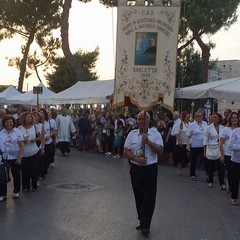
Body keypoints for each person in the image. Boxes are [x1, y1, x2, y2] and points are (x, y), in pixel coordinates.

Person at [123, 111, 164, 236]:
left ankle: (146, 224)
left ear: (148, 121)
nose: (140, 121)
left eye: (143, 119)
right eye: (139, 119)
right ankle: (142, 219)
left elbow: (160, 151)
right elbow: (125, 151)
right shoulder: (132, 134)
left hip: (150, 169)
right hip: (136, 168)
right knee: (139, 195)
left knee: (149, 197)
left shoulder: (155, 134)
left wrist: (149, 142)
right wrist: (136, 159)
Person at [0, 115, 24, 199]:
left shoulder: (17, 131)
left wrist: (20, 157)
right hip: (4, 157)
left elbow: (21, 145)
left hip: (15, 157)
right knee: (3, 177)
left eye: (10, 122)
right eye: (7, 122)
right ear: (4, 123)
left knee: (16, 175)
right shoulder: (1, 132)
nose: (9, 124)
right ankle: (3, 194)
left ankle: (16, 191)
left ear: (13, 123)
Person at [18, 112, 41, 192]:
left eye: (30, 117)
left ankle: (34, 185)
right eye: (27, 116)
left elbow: (40, 137)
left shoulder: (35, 127)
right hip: (24, 153)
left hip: (33, 151)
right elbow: (17, 140)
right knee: (24, 170)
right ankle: (25, 186)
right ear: (24, 118)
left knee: (34, 169)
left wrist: (34, 139)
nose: (29, 118)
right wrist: (21, 141)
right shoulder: (19, 128)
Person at [203, 112, 225, 189]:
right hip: (211, 149)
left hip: (220, 149)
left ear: (219, 118)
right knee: (211, 167)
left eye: (215, 117)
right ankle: (210, 181)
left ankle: (222, 183)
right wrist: (204, 151)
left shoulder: (222, 127)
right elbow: (205, 140)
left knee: (221, 167)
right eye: (212, 117)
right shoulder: (208, 128)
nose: (214, 119)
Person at [220, 111, 239, 192]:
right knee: (231, 173)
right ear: (230, 119)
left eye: (236, 117)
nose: (234, 119)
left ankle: (233, 187)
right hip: (228, 154)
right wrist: (222, 155)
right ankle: (230, 185)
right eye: (232, 118)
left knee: (236, 174)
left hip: (238, 155)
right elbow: (221, 143)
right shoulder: (226, 130)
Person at [186, 111, 208, 181]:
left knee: (206, 160)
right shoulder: (192, 125)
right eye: (198, 116)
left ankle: (208, 175)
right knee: (194, 160)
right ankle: (192, 174)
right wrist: (188, 145)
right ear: (195, 117)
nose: (200, 117)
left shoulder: (205, 123)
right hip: (195, 145)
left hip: (203, 145)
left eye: (201, 115)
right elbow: (188, 135)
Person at [175, 111, 190, 176]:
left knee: (189, 157)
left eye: (188, 116)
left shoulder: (190, 124)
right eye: (187, 116)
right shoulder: (181, 124)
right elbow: (177, 133)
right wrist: (179, 140)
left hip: (188, 143)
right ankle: (180, 170)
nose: (188, 117)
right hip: (182, 142)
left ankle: (191, 171)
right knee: (180, 157)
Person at [228, 126, 240, 206]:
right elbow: (230, 146)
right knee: (235, 180)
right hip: (236, 161)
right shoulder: (236, 131)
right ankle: (234, 197)